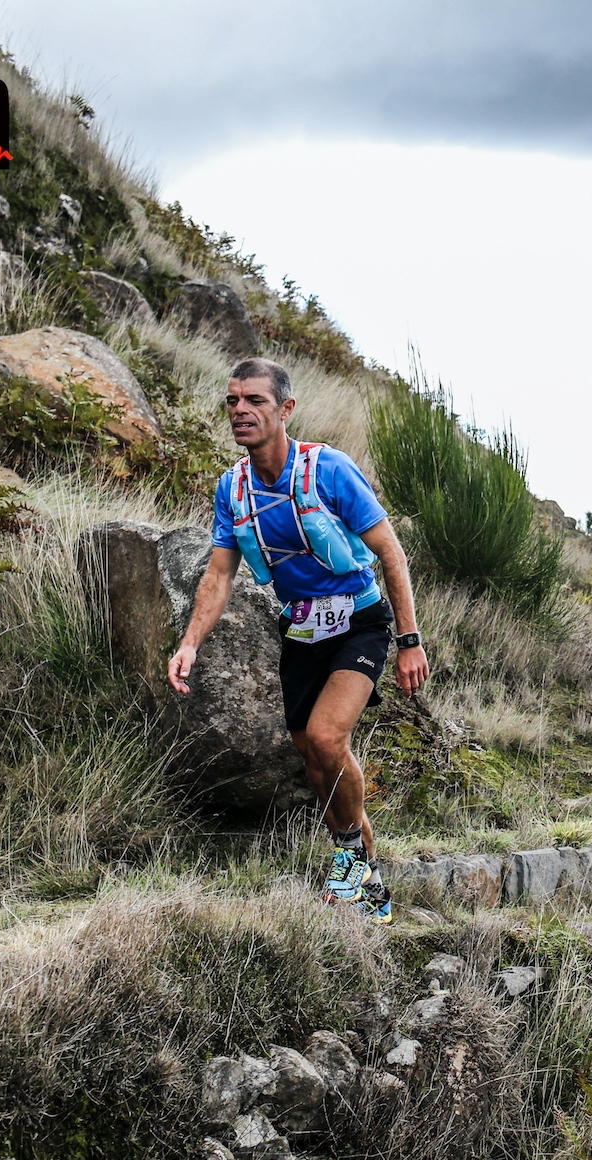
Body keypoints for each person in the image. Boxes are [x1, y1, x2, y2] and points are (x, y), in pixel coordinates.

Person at [168, 357, 428, 921]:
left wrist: (410, 640)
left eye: (254, 400)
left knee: (328, 737)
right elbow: (219, 575)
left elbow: (390, 552)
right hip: (303, 627)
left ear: (285, 409)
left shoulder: (328, 470)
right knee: (313, 756)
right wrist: (189, 643)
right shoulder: (233, 489)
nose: (240, 410)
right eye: (232, 400)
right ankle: (372, 884)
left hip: (360, 620)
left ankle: (348, 856)